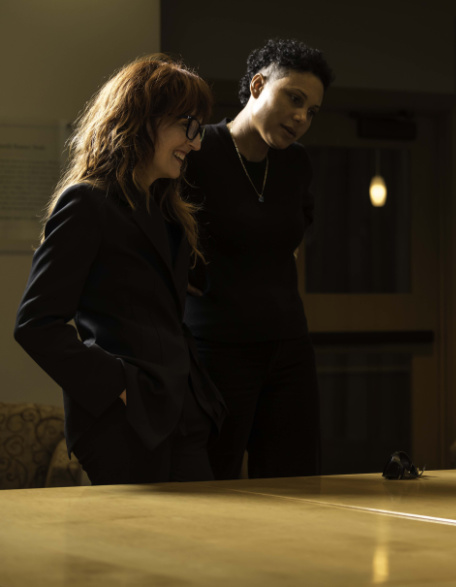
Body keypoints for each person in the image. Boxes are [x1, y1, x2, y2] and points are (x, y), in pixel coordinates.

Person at [14, 54, 226, 485]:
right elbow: (35, 324)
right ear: (144, 120)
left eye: (198, 128)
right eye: (187, 125)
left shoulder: (168, 213)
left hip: (184, 415)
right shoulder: (87, 203)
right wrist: (118, 387)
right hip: (124, 426)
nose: (196, 142)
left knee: (199, 551)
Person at [184, 38, 333, 480]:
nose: (302, 118)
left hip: (288, 346)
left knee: (297, 481)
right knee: (213, 480)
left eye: (312, 111)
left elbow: (292, 235)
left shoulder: (296, 164)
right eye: (294, 99)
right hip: (216, 347)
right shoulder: (198, 152)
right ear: (256, 85)